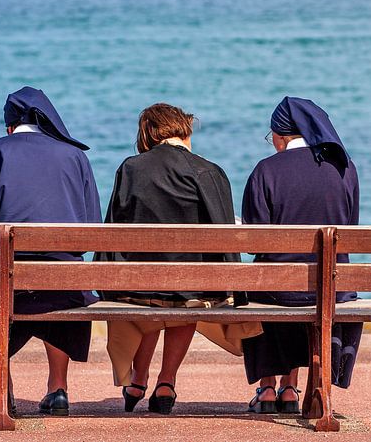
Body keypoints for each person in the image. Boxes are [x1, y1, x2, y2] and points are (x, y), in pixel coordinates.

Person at [95, 103, 260, 415]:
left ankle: (138, 379)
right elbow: (225, 234)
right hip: (194, 288)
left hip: (140, 287)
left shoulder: (131, 168)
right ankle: (166, 382)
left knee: (151, 297)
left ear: (147, 133)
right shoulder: (210, 171)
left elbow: (115, 228)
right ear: (184, 129)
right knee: (187, 297)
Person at [0, 86, 101, 418]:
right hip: (62, 289)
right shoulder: (75, 156)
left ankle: (3, 387)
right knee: (68, 274)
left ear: (9, 125)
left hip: (6, 288)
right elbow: (91, 228)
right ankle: (58, 388)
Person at [241, 97, 362, 414]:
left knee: (267, 281)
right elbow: (349, 229)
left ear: (280, 135)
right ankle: (291, 388)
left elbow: (256, 243)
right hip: (332, 288)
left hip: (279, 291)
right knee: (306, 282)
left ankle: (268, 388)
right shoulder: (344, 168)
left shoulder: (266, 170)